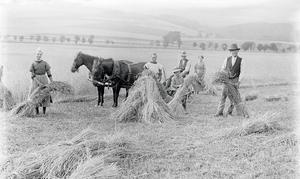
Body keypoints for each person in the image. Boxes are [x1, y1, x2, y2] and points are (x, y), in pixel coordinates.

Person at [214, 44, 246, 117]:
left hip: (235, 80)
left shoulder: (241, 60)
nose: (234, 52)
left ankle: (229, 112)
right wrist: (223, 74)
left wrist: (239, 81)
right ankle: (219, 112)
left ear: (237, 51)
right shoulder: (227, 59)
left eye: (235, 50)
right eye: (232, 50)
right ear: (230, 51)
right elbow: (222, 68)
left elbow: (242, 72)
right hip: (226, 80)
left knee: (234, 97)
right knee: (223, 96)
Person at [28, 47, 53, 115]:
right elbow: (32, 75)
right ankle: (37, 111)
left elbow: (49, 73)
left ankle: (44, 111)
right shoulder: (33, 64)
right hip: (35, 81)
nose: (38, 55)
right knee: (36, 95)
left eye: (40, 54)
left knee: (44, 94)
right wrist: (38, 82)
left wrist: (52, 82)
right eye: (37, 54)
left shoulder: (45, 63)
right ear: (35, 54)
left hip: (44, 79)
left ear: (41, 55)